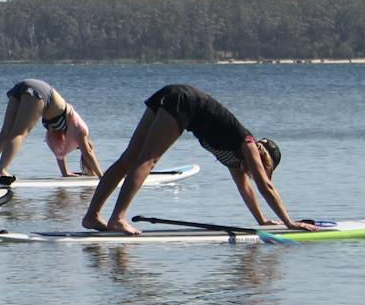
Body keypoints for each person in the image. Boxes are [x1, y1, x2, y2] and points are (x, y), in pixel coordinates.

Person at [83, 84, 317, 236]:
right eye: (265, 168)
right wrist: (289, 222)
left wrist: (263, 220)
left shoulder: (236, 159)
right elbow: (264, 185)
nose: (261, 172)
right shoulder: (248, 143)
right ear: (265, 159)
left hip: (170, 94)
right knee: (147, 161)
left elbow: (246, 188)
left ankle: (92, 216)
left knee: (129, 159)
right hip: (183, 102)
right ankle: (117, 218)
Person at [0, 78, 101, 181]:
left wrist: (65, 173)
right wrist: (101, 175)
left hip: (23, 86)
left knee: (5, 133)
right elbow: (88, 153)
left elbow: (60, 154)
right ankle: (1, 171)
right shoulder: (81, 130)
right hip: (39, 92)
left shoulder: (64, 132)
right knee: (20, 133)